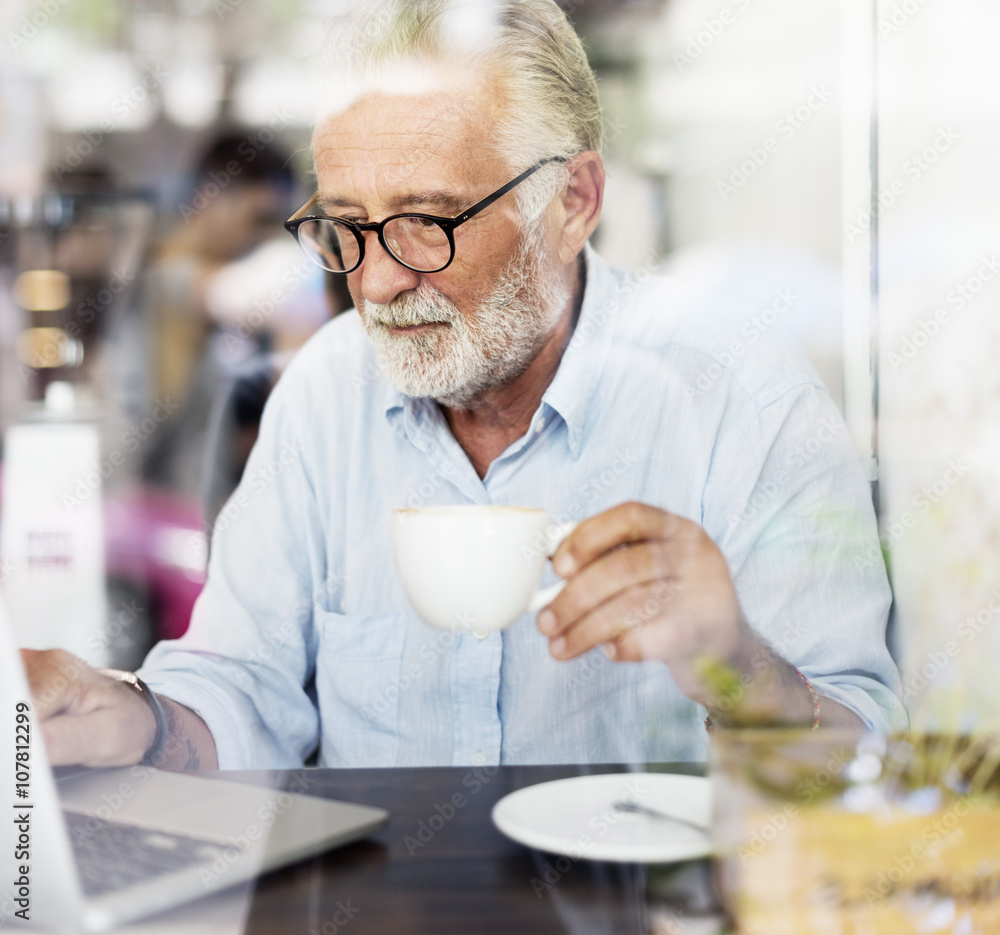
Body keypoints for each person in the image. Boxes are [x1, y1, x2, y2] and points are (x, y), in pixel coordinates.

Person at [23, 0, 906, 772]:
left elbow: (867, 769)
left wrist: (736, 665)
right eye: (346, 229)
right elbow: (240, 688)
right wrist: (133, 718)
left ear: (572, 202)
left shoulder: (743, 394)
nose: (372, 284)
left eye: (424, 223)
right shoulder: (327, 392)